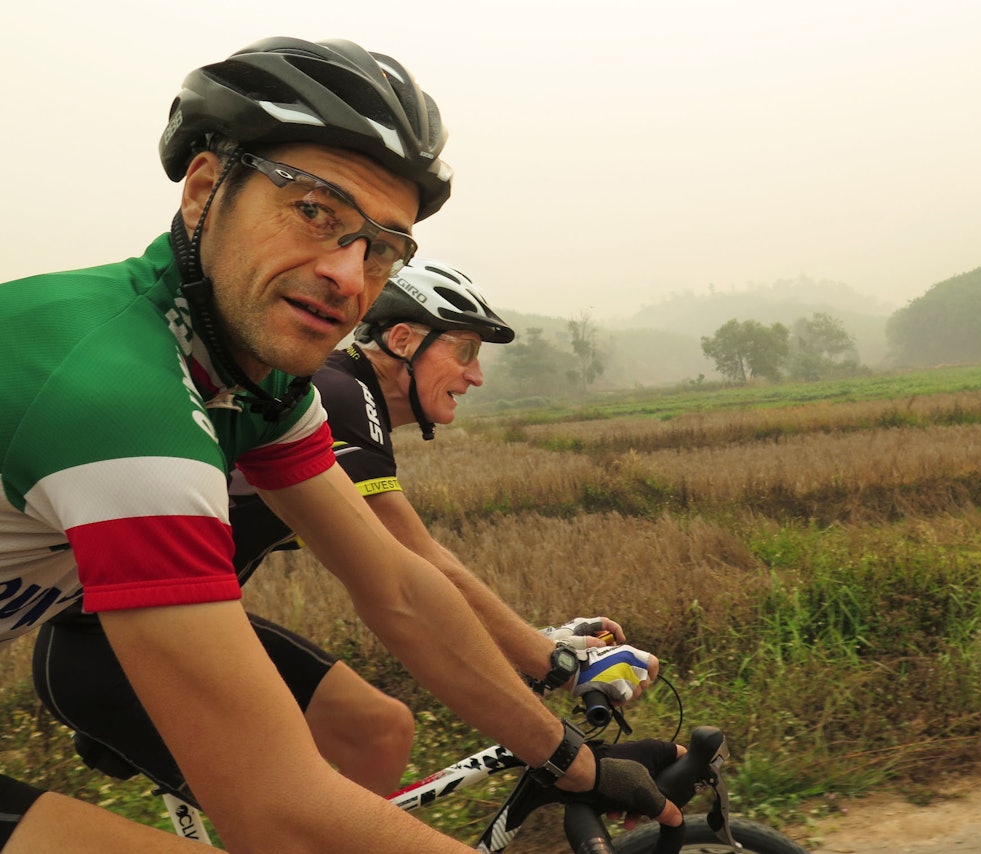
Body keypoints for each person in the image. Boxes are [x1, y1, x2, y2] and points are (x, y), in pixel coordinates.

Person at [0, 36, 680, 852]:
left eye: (381, 247)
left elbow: (399, 584)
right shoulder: (117, 394)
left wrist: (577, 764)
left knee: (369, 733)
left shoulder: (258, 382)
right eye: (315, 211)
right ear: (205, 190)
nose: (349, 278)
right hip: (100, 646)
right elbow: (280, 809)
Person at [32, 260, 641, 803]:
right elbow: (417, 566)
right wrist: (557, 662)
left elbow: (409, 577)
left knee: (379, 730)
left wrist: (539, 644)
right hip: (109, 645)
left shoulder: (342, 395)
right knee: (298, 810)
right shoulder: (340, 396)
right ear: (403, 339)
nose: (476, 376)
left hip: (164, 626)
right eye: (464, 351)